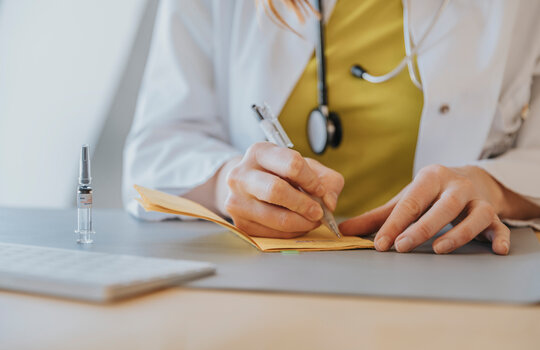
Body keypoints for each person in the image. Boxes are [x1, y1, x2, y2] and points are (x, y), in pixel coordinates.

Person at [123, 0, 540, 255]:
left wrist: (492, 186)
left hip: (451, 274)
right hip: (267, 280)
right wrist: (228, 182)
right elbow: (155, 151)